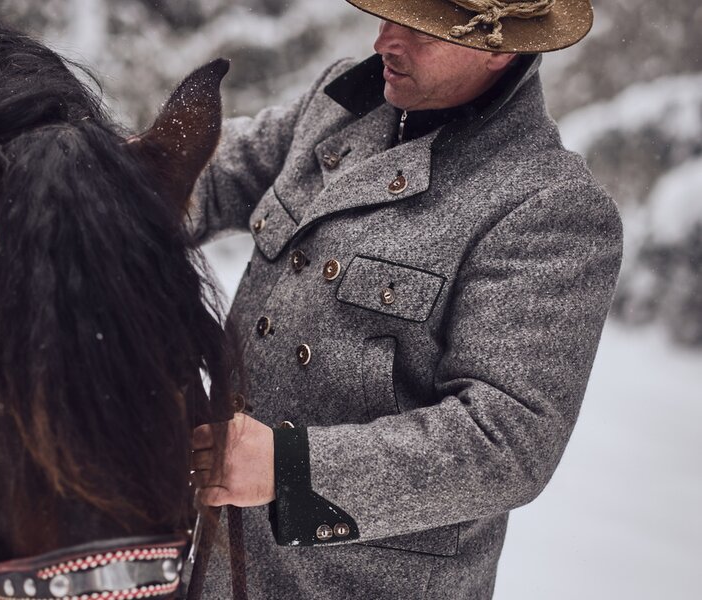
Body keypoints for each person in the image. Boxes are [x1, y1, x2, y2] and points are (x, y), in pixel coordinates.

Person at [189, 0, 622, 597]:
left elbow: (507, 440)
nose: (383, 42)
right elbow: (204, 181)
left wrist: (291, 469)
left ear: (499, 47)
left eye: (418, 29)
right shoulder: (340, 105)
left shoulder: (549, 206)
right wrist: (76, 182)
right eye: (387, 14)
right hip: (215, 561)